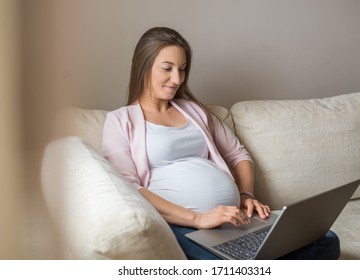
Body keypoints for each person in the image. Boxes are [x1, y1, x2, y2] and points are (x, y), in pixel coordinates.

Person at [101, 27, 340, 260]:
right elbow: (129, 188)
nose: (177, 79)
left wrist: (246, 195)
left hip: (232, 220)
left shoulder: (194, 111)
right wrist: (198, 218)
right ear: (144, 66)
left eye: (182, 69)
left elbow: (238, 153)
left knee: (326, 239)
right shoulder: (120, 121)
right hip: (181, 225)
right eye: (167, 68)